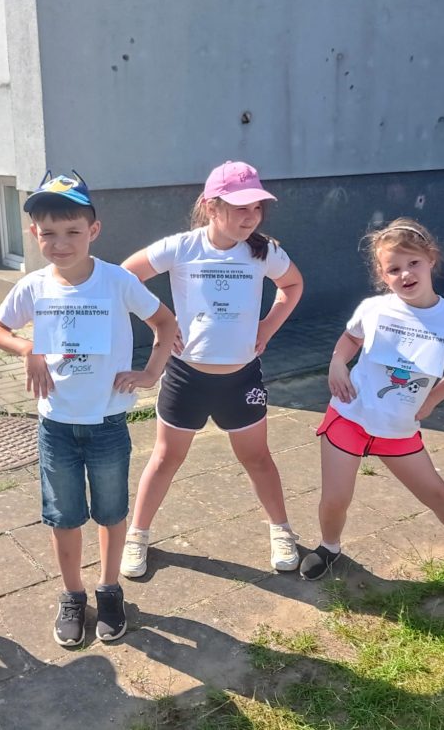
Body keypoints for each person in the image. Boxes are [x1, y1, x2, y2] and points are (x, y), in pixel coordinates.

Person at [0, 171, 176, 646]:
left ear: (94, 230)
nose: (61, 243)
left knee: (111, 512)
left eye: (73, 231)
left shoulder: (117, 281)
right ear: (34, 233)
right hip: (55, 425)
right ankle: (72, 594)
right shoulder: (33, 286)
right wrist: (27, 348)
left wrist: (150, 373)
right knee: (64, 516)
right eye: (48, 233)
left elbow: (164, 322)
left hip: (107, 422)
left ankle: (109, 591)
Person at [299, 218, 444, 587]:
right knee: (335, 499)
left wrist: (434, 397)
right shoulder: (373, 308)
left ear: (431, 259)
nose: (405, 274)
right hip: (350, 415)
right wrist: (337, 363)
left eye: (413, 263)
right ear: (383, 276)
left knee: (438, 494)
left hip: (398, 429)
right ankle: (329, 546)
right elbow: (350, 339)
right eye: (393, 269)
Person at [119, 160, 304, 580]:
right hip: (187, 378)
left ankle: (281, 530)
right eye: (239, 208)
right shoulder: (182, 247)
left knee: (257, 458)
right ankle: (137, 535)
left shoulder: (264, 251)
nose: (250, 217)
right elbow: (125, 278)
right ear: (210, 206)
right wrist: (162, 323)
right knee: (165, 458)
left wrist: (268, 327)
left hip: (241, 379)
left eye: (256, 207)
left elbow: (292, 285)